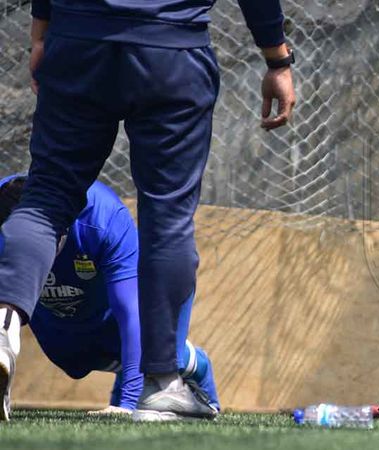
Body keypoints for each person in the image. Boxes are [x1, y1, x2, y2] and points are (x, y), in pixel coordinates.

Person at [0, 0, 294, 421]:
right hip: (171, 48)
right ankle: (161, 384)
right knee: (167, 219)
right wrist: (277, 59)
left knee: (46, 195)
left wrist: (40, 35)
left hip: (79, 39)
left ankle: (3, 323)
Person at [0, 175, 220, 415]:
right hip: (53, 314)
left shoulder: (103, 218)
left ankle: (190, 361)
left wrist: (127, 405)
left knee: (149, 347)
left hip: (106, 306)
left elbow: (130, 312)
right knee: (71, 359)